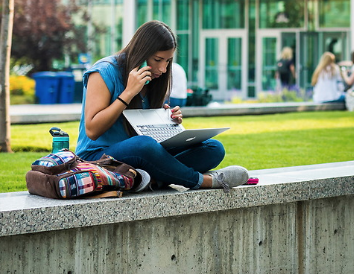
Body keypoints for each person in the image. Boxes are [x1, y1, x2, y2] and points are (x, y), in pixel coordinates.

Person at [75, 21, 248, 191]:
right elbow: (92, 130)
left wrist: (166, 121)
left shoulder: (155, 79)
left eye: (168, 61)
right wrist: (128, 93)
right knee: (144, 145)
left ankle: (149, 179)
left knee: (213, 148)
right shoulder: (103, 71)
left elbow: (141, 130)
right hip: (99, 157)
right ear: (141, 54)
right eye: (158, 60)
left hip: (141, 155)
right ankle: (203, 181)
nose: (163, 69)